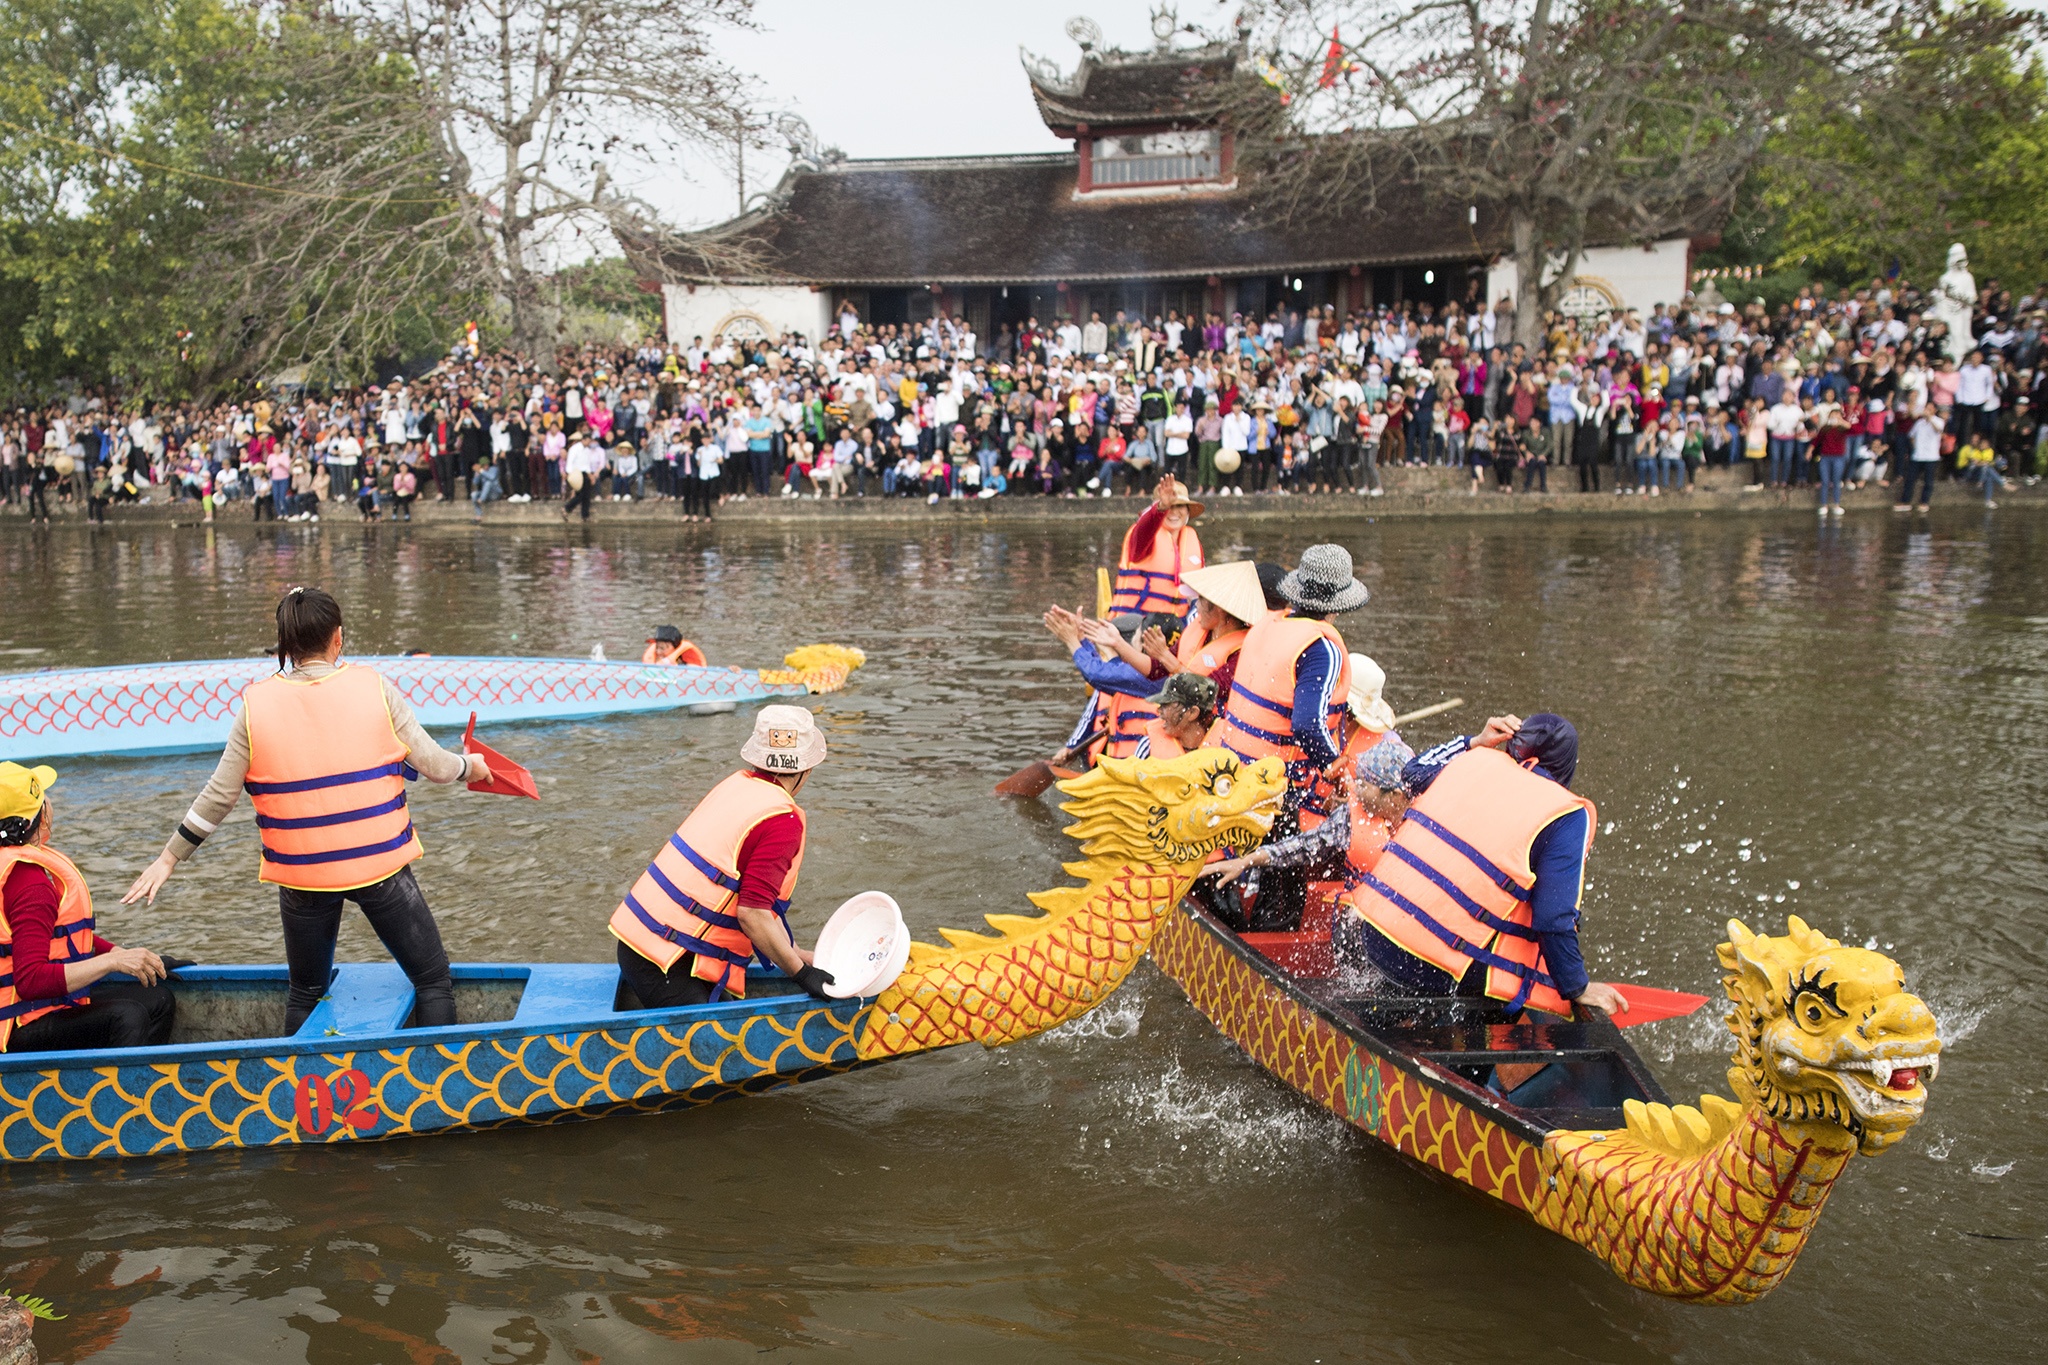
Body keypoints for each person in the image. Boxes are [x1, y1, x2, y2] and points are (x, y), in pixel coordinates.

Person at [123, 588, 496, 1032]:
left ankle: (297, 1088)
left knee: (306, 992)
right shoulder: (374, 687)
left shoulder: (253, 706)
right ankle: (441, 1085)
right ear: (337, 639)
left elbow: (219, 797)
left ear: (285, 647)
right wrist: (471, 767)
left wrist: (169, 859)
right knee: (433, 981)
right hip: (379, 867)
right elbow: (436, 767)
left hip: (304, 875)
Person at [1341, 712, 1632, 1025]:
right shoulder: (1566, 813)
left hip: (1375, 935)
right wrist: (1578, 987)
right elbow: (1553, 918)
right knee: (1517, 967)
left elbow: (1412, 773)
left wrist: (1473, 742)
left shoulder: (1472, 760)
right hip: (1437, 970)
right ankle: (1466, 1070)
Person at [609, 705, 837, 1005]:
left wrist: (797, 954)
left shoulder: (737, 786)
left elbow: (758, 903)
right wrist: (802, 975)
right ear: (806, 769)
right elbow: (753, 914)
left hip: (637, 944)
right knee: (724, 1051)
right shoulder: (783, 820)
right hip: (669, 964)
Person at [1209, 544, 1369, 928]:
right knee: (1284, 880)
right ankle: (1269, 941)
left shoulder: (1267, 625)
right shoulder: (1321, 647)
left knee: (1253, 863)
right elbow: (1308, 724)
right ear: (1338, 603)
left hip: (1235, 772)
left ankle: (1231, 921)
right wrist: (1335, 768)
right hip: (1279, 786)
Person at [1, 762, 176, 1052]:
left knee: (158, 999)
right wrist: (111, 964)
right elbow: (31, 981)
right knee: (127, 1017)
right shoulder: (30, 885)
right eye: (43, 797)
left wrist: (120, 953)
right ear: (37, 818)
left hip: (25, 1012)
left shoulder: (15, 869)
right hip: (17, 1027)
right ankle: (112, 1095)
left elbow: (48, 937)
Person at [1207, 736, 1416, 898]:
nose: (1356, 790)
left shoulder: (1425, 816)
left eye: (1363, 785)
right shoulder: (1350, 818)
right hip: (1361, 918)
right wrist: (1247, 861)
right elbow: (1302, 846)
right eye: (1357, 780)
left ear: (1395, 796)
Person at [1109, 475, 1204, 614]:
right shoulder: (1143, 535)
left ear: (1188, 510)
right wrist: (1161, 508)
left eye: (1179, 506)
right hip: (1138, 624)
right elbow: (1147, 525)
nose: (1174, 512)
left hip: (1177, 627)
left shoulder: (1191, 539)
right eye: (1169, 507)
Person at [1134, 673, 1218, 760]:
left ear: (1192, 713)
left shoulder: (1227, 746)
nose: (1158, 710)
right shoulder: (1148, 746)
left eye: (1166, 705)